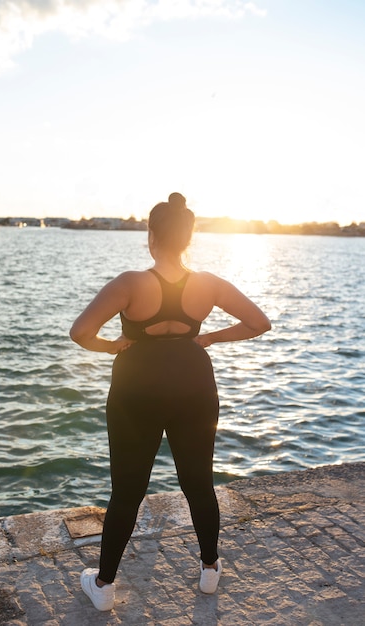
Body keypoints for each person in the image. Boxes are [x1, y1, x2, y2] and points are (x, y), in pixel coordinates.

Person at [70, 192, 271, 611]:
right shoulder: (208, 284)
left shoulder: (130, 283)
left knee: (127, 489)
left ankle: (104, 585)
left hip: (135, 387)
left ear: (151, 236)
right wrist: (211, 337)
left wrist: (113, 347)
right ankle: (210, 569)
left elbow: (81, 332)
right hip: (194, 382)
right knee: (198, 481)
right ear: (189, 237)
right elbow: (258, 323)